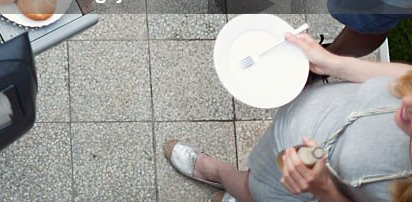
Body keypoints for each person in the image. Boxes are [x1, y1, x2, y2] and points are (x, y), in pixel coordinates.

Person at [164, 33, 412, 201]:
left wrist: (323, 188)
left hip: (305, 187)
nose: (409, 103)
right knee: (259, 172)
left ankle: (217, 173)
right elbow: (406, 76)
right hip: (301, 121)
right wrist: (331, 63)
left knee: (257, 191)